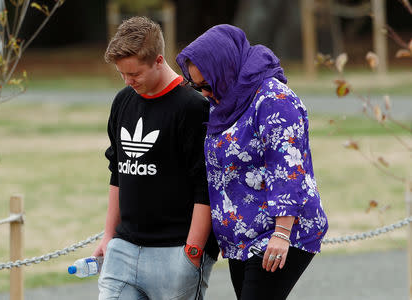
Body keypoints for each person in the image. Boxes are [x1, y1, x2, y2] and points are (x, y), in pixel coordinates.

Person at [176, 24, 328, 300]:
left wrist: (281, 234)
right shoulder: (224, 102)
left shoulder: (274, 99)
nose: (205, 94)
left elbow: (287, 169)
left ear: (226, 68)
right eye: (196, 87)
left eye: (207, 85)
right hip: (242, 235)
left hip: (281, 232)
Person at [93, 16, 219, 300]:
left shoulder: (193, 107)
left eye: (135, 74)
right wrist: (108, 237)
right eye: (122, 74)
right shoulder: (123, 101)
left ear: (159, 61)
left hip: (176, 252)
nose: (128, 81)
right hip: (123, 250)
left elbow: (206, 185)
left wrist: (193, 252)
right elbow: (118, 173)